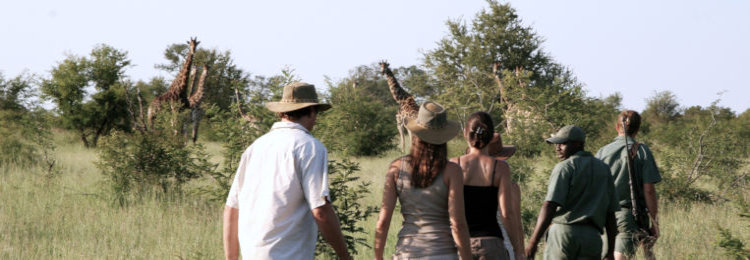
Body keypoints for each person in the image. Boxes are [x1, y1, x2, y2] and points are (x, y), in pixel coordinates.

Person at [223, 82, 350, 260]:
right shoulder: (310, 147)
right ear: (312, 111)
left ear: (283, 112)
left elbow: (231, 209)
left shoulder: (255, 147)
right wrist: (345, 256)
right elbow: (321, 211)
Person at [375, 101, 472, 260]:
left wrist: (377, 257)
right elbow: (458, 224)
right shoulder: (452, 171)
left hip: (407, 253)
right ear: (443, 136)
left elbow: (382, 222)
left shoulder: (396, 168)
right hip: (444, 253)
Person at [525, 125, 619, 260]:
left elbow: (550, 205)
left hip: (564, 234)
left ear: (578, 144)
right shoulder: (604, 169)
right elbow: (610, 215)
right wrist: (610, 251)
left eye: (563, 143)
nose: (557, 147)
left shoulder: (565, 167)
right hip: (592, 238)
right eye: (556, 144)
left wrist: (533, 242)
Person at [450, 112, 522, 260]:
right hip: (491, 243)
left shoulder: (453, 164)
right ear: (490, 137)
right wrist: (518, 250)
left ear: (465, 134)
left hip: (458, 243)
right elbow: (507, 214)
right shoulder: (500, 168)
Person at [595, 110, 661, 260]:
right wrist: (654, 222)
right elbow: (649, 190)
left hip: (601, 214)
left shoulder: (601, 152)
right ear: (637, 129)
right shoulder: (642, 151)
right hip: (627, 216)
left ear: (617, 127)